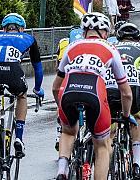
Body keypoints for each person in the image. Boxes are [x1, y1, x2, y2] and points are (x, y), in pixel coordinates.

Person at [53, 13, 133, 180]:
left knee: (68, 132)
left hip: (68, 90)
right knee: (102, 147)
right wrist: (125, 116)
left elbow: (55, 87)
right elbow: (125, 92)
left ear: (84, 32)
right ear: (105, 33)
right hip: (95, 92)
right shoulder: (110, 48)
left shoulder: (72, 46)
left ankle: (62, 170)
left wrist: (61, 107)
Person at [0, 13, 43, 177]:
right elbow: (38, 68)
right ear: (21, 28)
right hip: (13, 74)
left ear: (3, 28)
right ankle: (19, 138)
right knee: (22, 96)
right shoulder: (27, 38)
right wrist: (38, 89)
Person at [108, 23, 140, 180]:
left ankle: (107, 157)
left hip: (109, 89)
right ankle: (136, 165)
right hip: (132, 89)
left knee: (109, 123)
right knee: (137, 118)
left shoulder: (110, 47)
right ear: (139, 37)